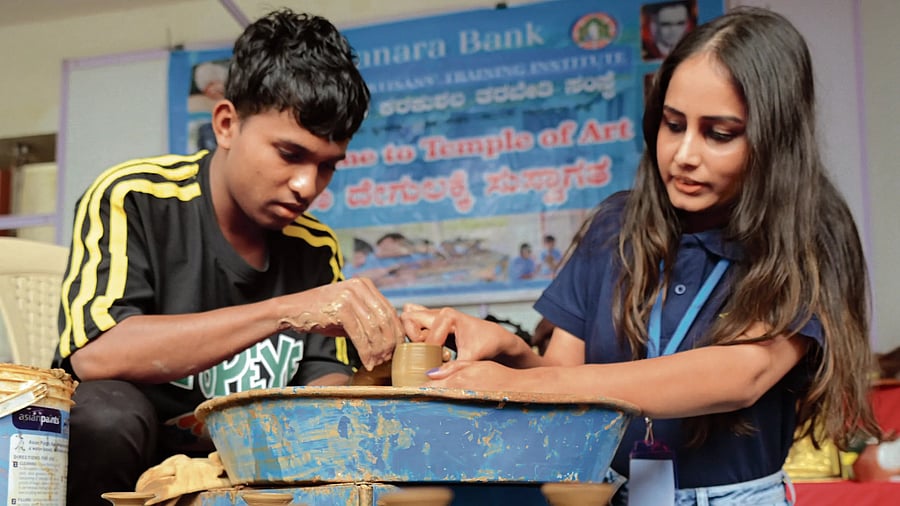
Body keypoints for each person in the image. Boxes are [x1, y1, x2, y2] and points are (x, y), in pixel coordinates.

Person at [401, 7, 882, 504]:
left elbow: (740, 375)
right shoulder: (615, 226)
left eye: (719, 134)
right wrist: (511, 353)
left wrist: (520, 386)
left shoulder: (810, 230)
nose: (683, 154)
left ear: (775, 139)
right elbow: (564, 382)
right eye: (673, 125)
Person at [53, 10, 404, 505]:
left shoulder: (314, 246)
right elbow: (96, 352)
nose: (308, 186)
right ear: (226, 124)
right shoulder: (135, 197)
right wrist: (284, 312)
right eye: (289, 154)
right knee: (104, 415)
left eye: (327, 166)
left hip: (244, 470)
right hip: (130, 458)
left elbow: (323, 378)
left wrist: (382, 365)